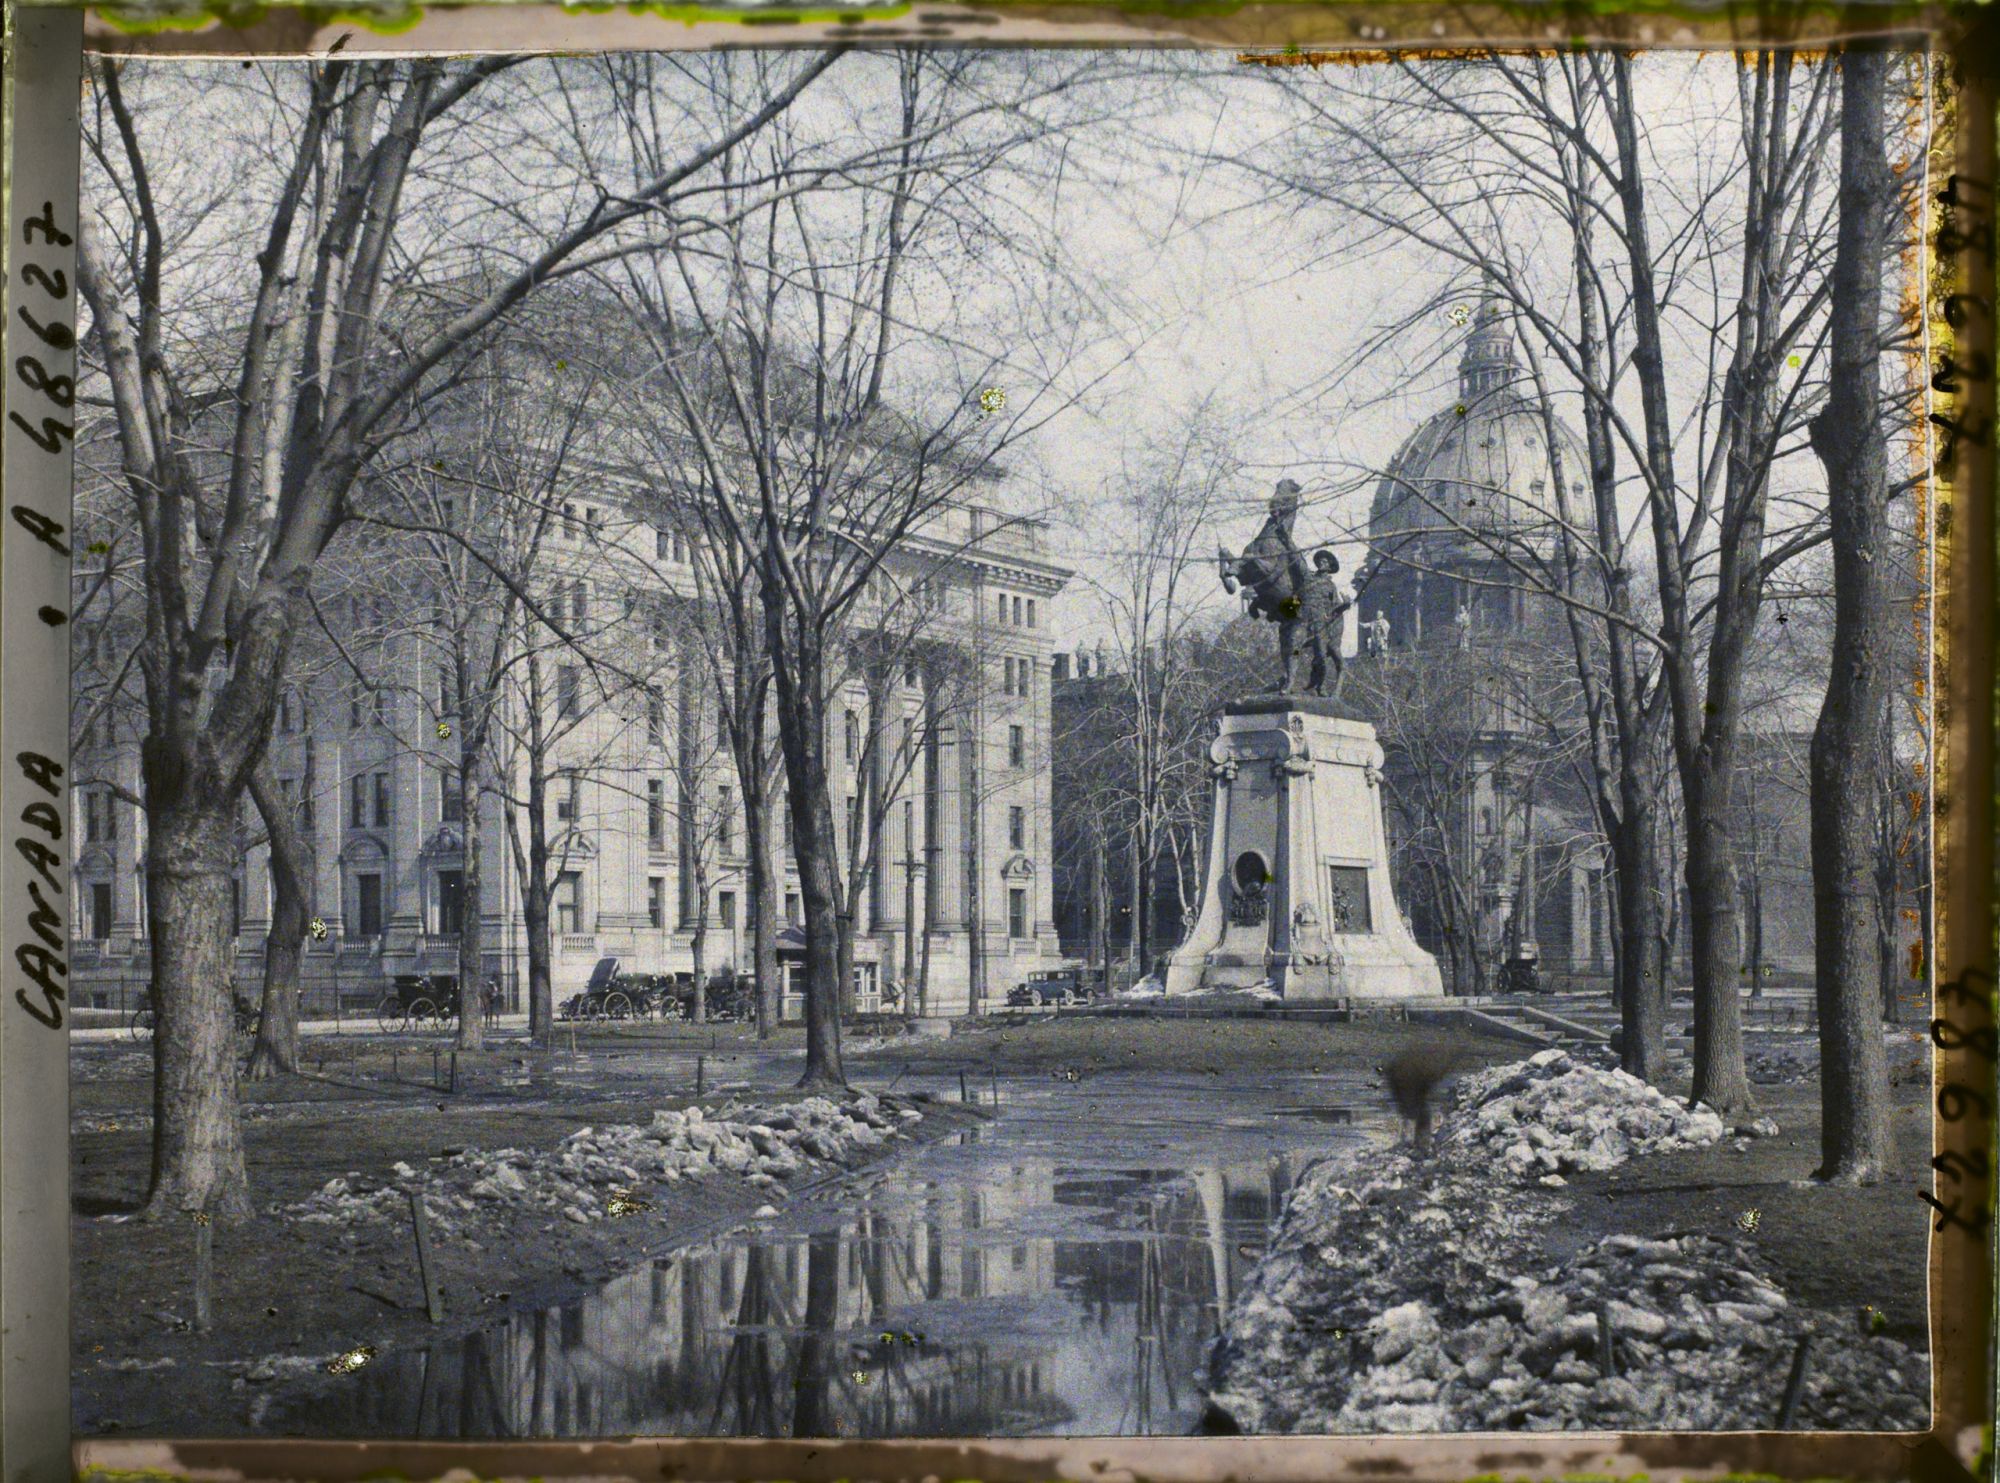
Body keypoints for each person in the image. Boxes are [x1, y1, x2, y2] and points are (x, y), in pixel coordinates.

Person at [1298, 549, 1352, 697]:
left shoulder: (1330, 586)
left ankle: (1320, 685)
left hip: (1321, 624)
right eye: (1320, 561)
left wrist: (1345, 605)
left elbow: (1335, 607)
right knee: (1295, 648)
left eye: (1325, 562)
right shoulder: (1308, 578)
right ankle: (1301, 681)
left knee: (1321, 654)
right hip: (1305, 619)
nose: (1322, 563)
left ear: (1329, 567)